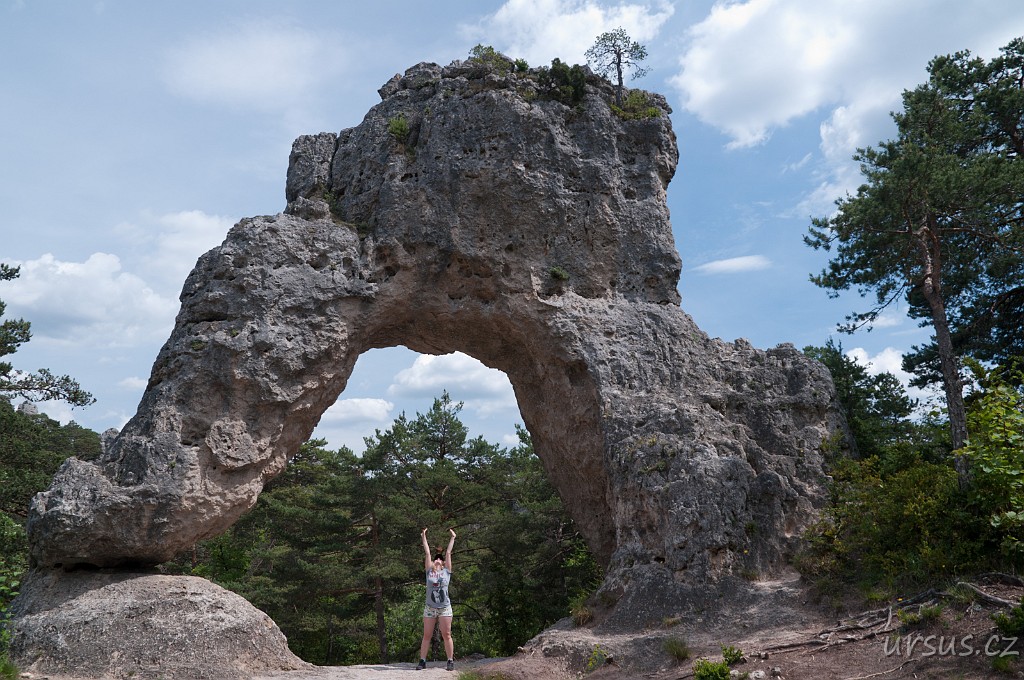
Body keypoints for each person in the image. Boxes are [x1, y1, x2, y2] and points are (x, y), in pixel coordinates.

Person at [416, 527, 456, 671]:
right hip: (430, 608)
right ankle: (422, 661)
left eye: (440, 559)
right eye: (436, 559)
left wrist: (453, 538)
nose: (438, 560)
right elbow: (427, 552)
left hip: (444, 608)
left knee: (446, 634)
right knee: (427, 635)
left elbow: (448, 552)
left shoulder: (447, 572)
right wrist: (423, 537)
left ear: (444, 563)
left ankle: (450, 661)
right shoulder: (429, 572)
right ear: (433, 562)